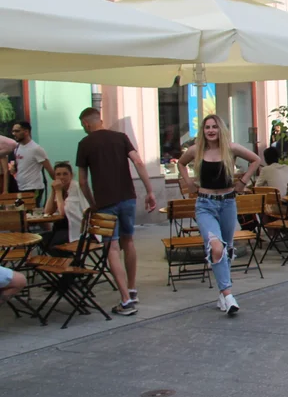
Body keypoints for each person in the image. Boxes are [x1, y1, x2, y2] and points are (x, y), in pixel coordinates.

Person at [176, 115, 261, 317]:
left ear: (220, 129)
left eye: (214, 127)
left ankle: (222, 293)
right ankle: (229, 295)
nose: (211, 130)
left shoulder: (230, 148)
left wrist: (244, 181)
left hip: (228, 202)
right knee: (216, 246)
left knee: (227, 249)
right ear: (203, 130)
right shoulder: (196, 150)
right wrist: (188, 182)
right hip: (205, 204)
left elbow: (256, 160)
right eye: (207, 127)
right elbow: (180, 164)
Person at [75, 107, 157, 316]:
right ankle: (132, 289)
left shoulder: (84, 144)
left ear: (86, 124)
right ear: (100, 120)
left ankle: (125, 300)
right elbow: (138, 161)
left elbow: (83, 182)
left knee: (111, 248)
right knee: (128, 241)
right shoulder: (121, 137)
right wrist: (149, 191)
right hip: (128, 198)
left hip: (105, 202)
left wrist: (93, 203)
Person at [41, 161, 87, 251]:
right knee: (40, 239)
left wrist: (57, 191)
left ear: (71, 175)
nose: (62, 177)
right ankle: (65, 260)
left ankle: (68, 261)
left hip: (77, 230)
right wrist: (53, 191)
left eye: (65, 174)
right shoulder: (60, 189)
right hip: (61, 228)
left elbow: (62, 212)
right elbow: (48, 211)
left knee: (51, 243)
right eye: (58, 174)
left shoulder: (75, 188)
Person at [9, 121, 54, 206]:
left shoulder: (36, 149)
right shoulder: (17, 148)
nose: (14, 134)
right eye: (13, 131)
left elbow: (50, 170)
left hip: (34, 187)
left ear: (26, 132)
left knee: (31, 212)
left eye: (17, 131)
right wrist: (14, 169)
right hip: (21, 187)